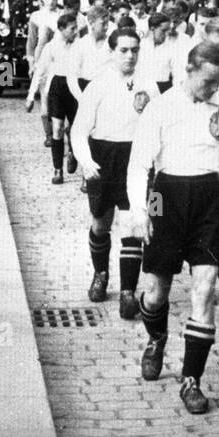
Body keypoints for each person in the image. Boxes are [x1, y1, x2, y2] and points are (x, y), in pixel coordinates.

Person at [128, 42, 219, 415]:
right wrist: (141, 210)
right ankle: (157, 337)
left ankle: (191, 379)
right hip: (165, 196)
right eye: (209, 81)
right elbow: (139, 165)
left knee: (204, 289)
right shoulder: (161, 106)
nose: (213, 88)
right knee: (157, 292)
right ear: (190, 69)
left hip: (208, 199)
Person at [70, 27, 155, 317]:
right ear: (112, 52)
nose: (130, 56)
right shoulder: (98, 86)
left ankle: (128, 292)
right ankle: (101, 274)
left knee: (133, 223)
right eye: (124, 50)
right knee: (100, 223)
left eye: (135, 50)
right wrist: (85, 160)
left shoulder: (149, 85)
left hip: (135, 158)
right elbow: (79, 131)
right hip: (103, 157)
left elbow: (158, 125)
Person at [27, 12, 83, 184]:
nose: (75, 31)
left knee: (77, 130)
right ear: (61, 29)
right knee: (57, 129)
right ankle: (57, 170)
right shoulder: (51, 47)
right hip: (57, 88)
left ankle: (75, 154)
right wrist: (30, 96)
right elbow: (40, 71)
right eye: (72, 29)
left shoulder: (81, 46)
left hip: (76, 89)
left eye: (76, 28)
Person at [27, 0, 61, 146]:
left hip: (59, 59)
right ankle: (48, 135)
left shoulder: (61, 15)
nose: (52, 1)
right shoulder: (36, 16)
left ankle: (58, 131)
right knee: (45, 97)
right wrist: (31, 62)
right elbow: (31, 41)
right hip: (43, 60)